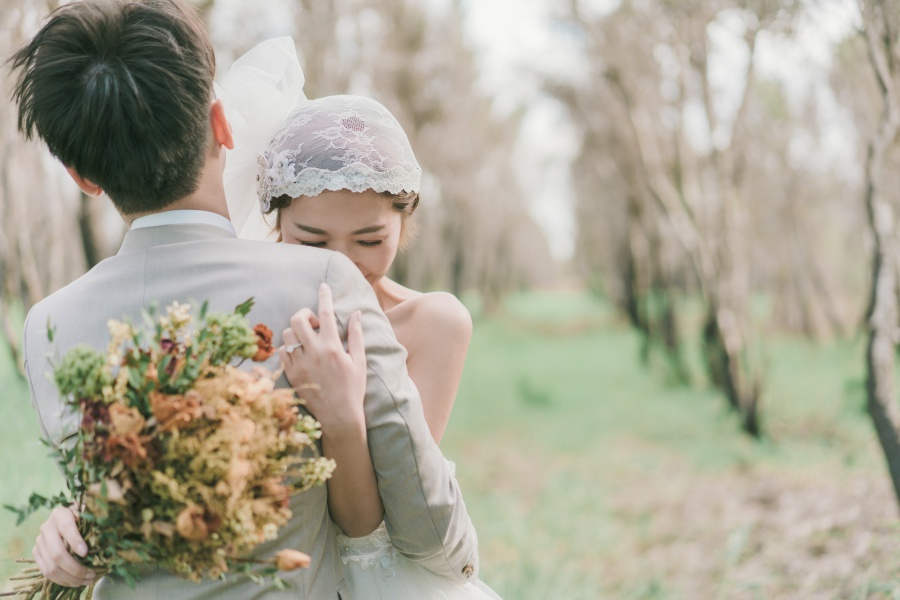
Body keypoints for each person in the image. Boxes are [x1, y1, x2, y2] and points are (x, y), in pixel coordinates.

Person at [9, 1, 479, 598]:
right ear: (222, 124)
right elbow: (429, 530)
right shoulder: (322, 284)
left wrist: (70, 530)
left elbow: (115, 503)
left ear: (82, 176)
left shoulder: (48, 326)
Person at [220, 38, 501, 599]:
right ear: (276, 223)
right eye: (313, 240)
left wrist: (343, 417)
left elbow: (375, 523)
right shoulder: (250, 319)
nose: (340, 263)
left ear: (405, 220)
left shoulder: (436, 323)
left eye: (369, 240)